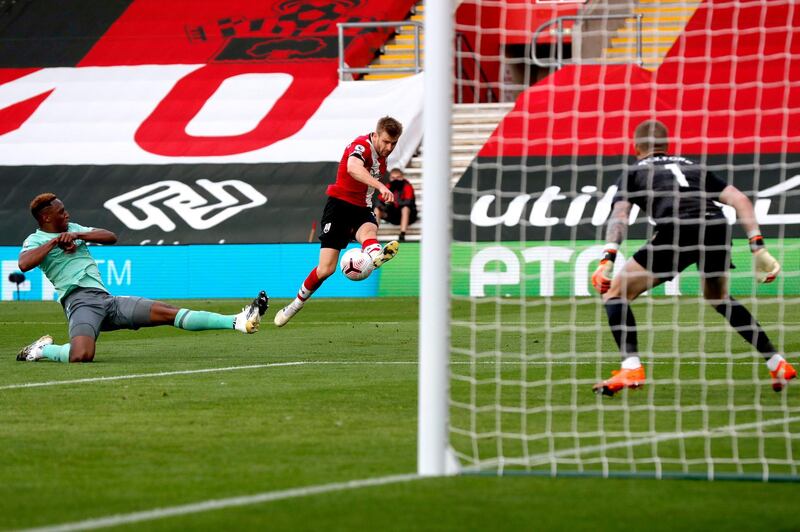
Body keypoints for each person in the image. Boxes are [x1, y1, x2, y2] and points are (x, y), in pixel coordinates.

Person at [591, 119, 793, 396]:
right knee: (718, 297)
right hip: (716, 226)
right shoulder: (693, 166)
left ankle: (631, 367)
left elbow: (620, 215)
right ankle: (776, 361)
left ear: (636, 147)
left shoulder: (634, 171)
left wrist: (608, 257)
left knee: (616, 294)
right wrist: (758, 246)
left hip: (677, 228)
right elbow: (740, 199)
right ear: (667, 145)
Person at [16, 193, 269, 363]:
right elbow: (25, 264)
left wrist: (77, 236)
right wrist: (55, 242)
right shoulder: (35, 240)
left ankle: (236, 320)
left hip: (107, 300)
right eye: (61, 212)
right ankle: (41, 350)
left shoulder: (74, 229)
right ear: (46, 218)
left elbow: (109, 236)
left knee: (168, 312)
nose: (67, 215)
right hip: (80, 303)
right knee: (81, 356)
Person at [273, 116, 403, 327]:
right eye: (386, 142)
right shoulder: (362, 145)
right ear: (376, 134)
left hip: (362, 207)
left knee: (369, 231)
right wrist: (380, 187)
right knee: (326, 269)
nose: (389, 147)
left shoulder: (382, 158)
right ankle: (295, 304)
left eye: (394, 143)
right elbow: (352, 167)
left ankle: (375, 253)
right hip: (339, 206)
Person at [374, 167, 418, 241]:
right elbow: (378, 200)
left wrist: (393, 202)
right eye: (393, 178)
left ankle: (402, 234)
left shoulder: (407, 186)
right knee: (377, 209)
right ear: (390, 178)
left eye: (398, 177)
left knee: (405, 208)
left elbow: (408, 202)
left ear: (402, 177)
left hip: (408, 216)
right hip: (392, 215)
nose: (395, 180)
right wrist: (384, 206)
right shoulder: (388, 186)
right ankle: (373, 235)